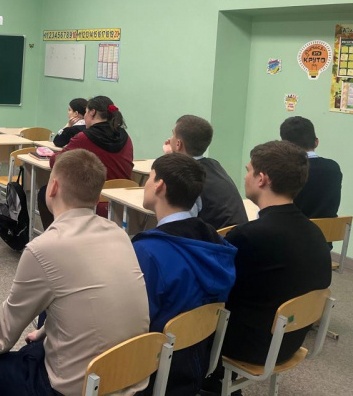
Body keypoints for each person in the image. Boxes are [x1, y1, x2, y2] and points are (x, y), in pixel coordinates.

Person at [0, 150, 149, 396]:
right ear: (98, 195)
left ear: (52, 187)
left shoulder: (43, 248)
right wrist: (43, 331)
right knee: (34, 346)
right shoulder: (119, 234)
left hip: (80, 387)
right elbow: (84, 300)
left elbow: (5, 335)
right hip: (132, 375)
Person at [203, 141, 332, 393]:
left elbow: (215, 288)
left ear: (261, 179)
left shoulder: (249, 235)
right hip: (292, 339)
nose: (245, 176)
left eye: (249, 170)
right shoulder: (314, 231)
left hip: (254, 345)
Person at [132, 153, 236, 396]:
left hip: (152, 371)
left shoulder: (148, 252)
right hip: (195, 362)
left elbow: (134, 322)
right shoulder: (216, 242)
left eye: (149, 178)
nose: (146, 185)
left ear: (159, 185)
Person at [38, 95, 132, 226]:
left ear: (92, 112)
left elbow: (56, 162)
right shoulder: (125, 137)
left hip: (95, 200)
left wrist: (55, 155)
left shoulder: (84, 137)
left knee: (45, 192)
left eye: (86, 111)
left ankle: (56, 235)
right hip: (122, 202)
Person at [163, 115, 248, 229]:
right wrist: (172, 156)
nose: (170, 138)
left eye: (173, 134)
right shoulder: (214, 164)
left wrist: (170, 157)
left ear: (178, 144)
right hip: (237, 234)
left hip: (214, 239)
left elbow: (179, 224)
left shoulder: (187, 178)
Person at [279, 116, 342, 219]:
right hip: (330, 228)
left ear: (284, 146)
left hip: (294, 227)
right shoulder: (333, 167)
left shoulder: (284, 169)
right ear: (316, 142)